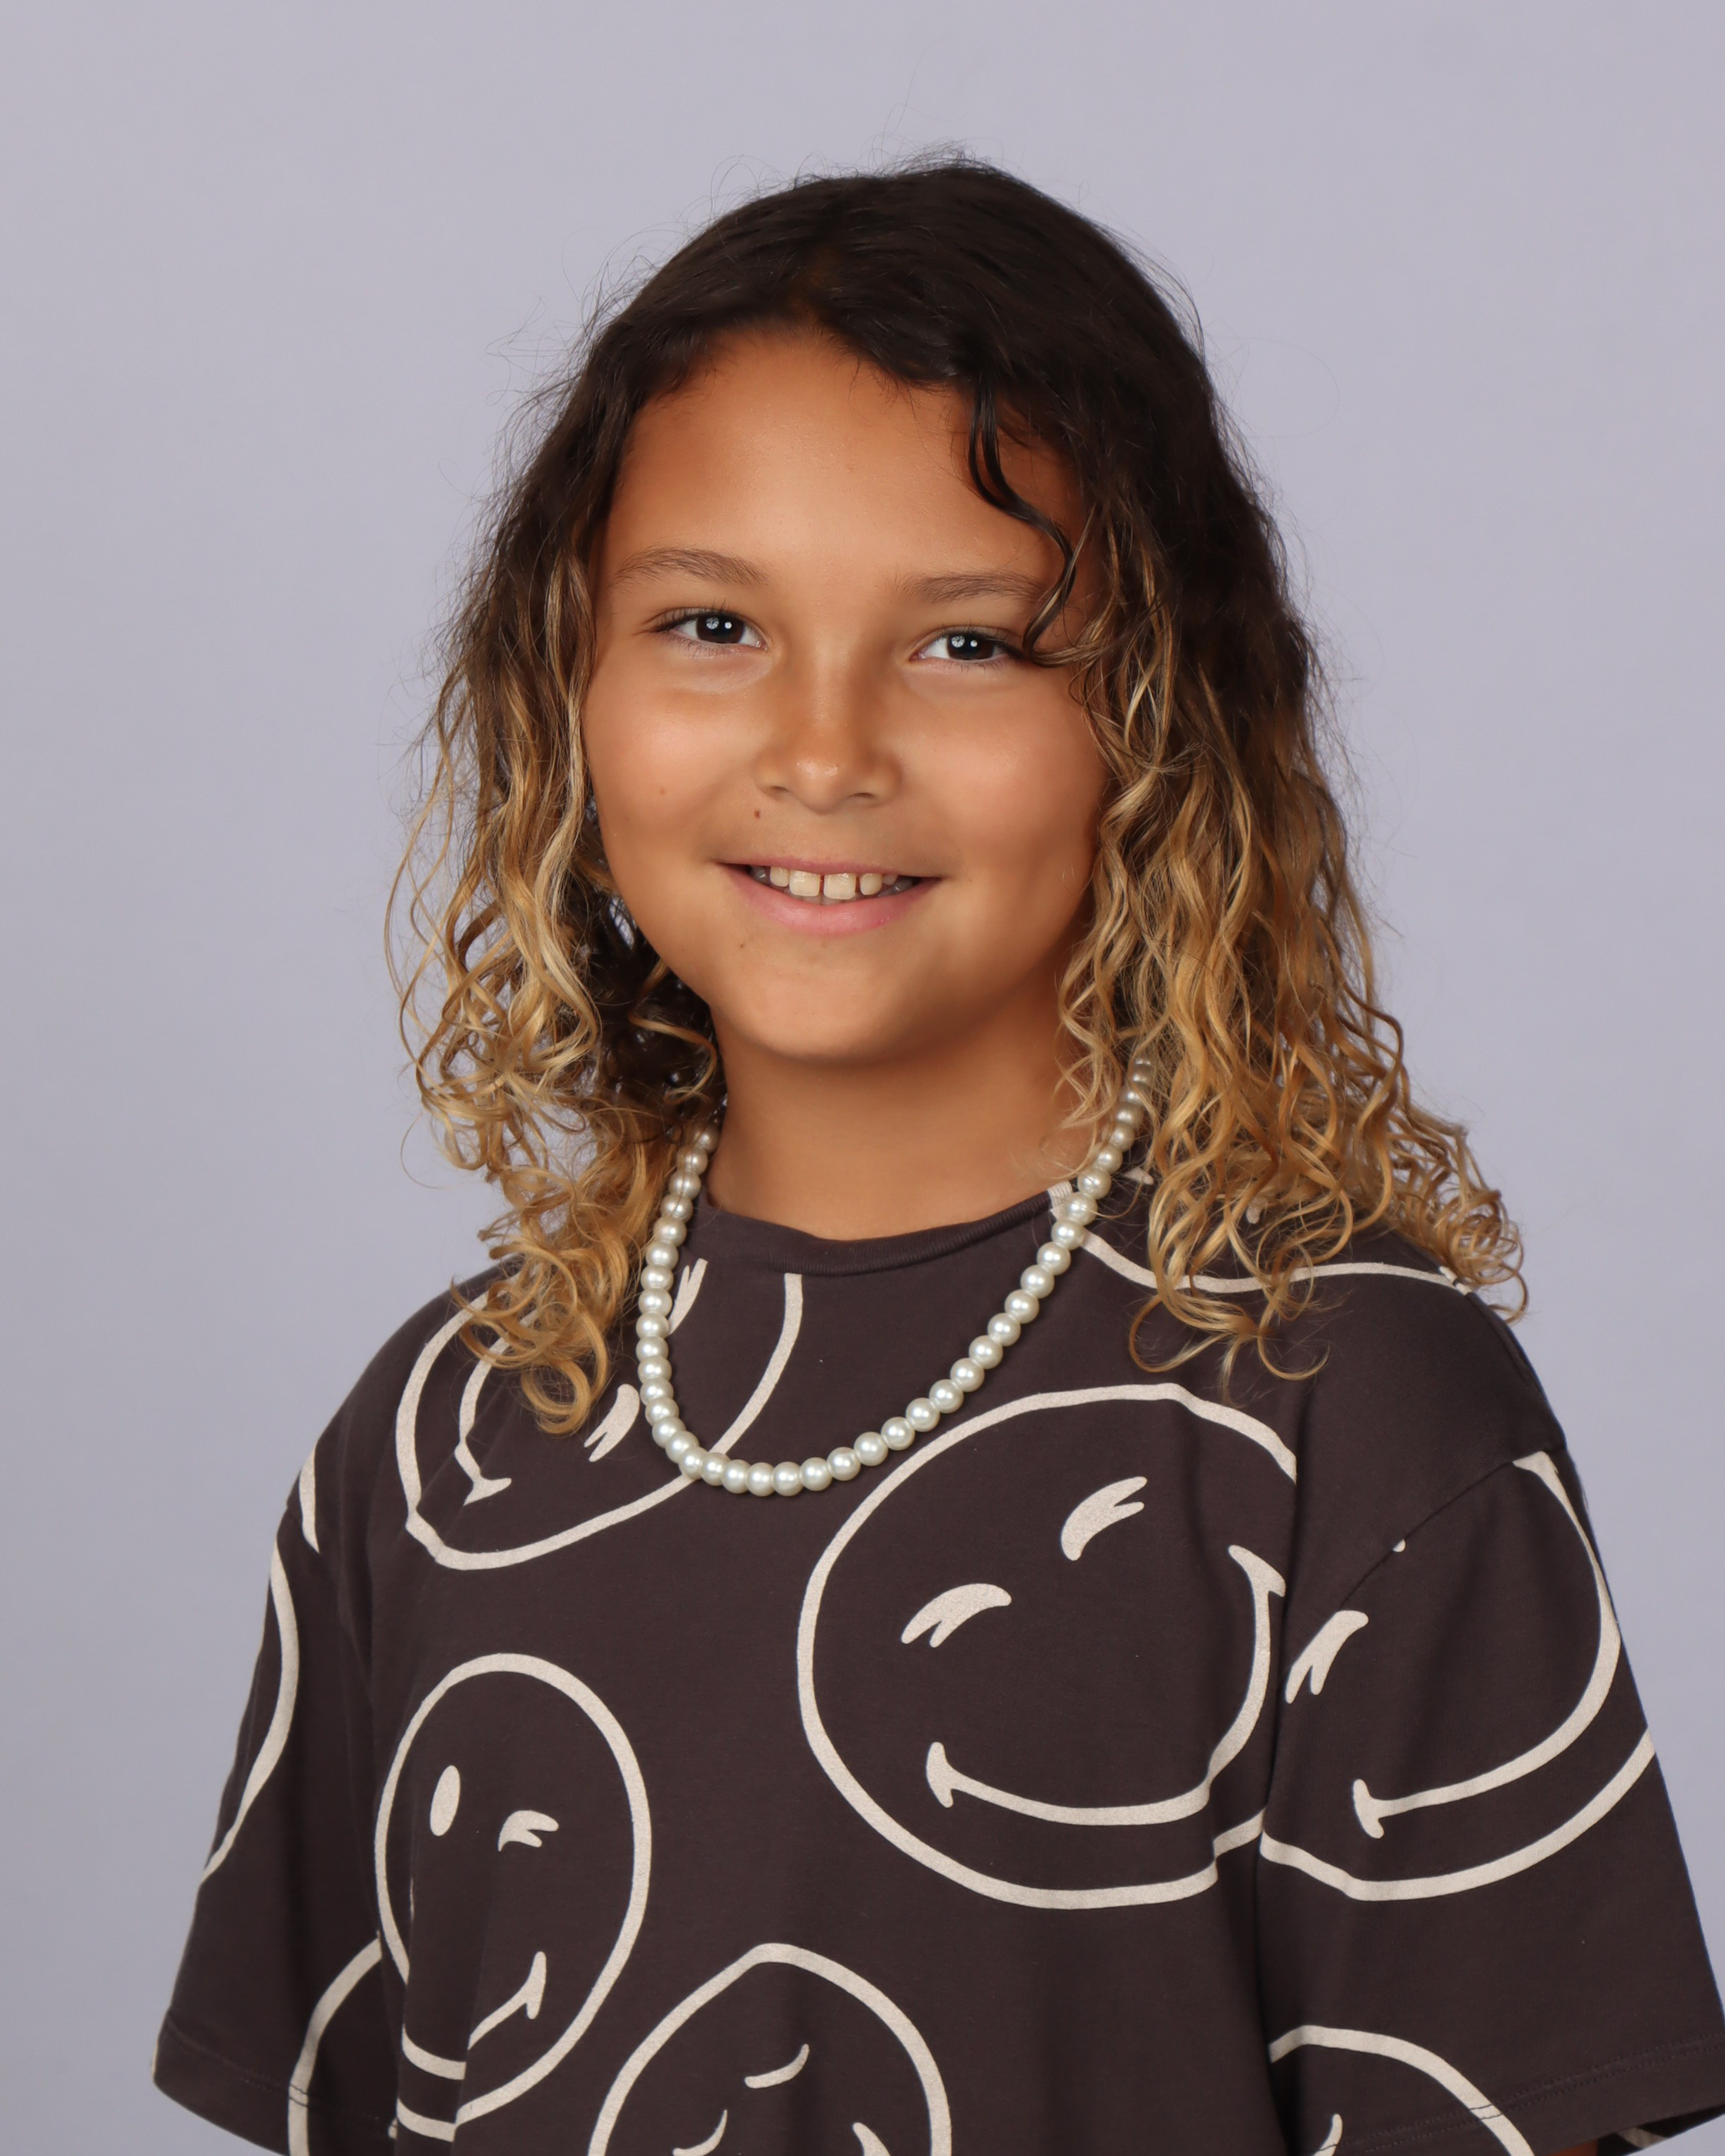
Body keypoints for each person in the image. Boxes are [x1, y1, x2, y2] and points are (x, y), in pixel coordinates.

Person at [155, 161, 1724, 2156]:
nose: (825, 751)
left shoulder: (1344, 1421)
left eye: (970, 645)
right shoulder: (437, 1445)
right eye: (712, 623)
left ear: (1164, 720)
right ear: (567, 691)